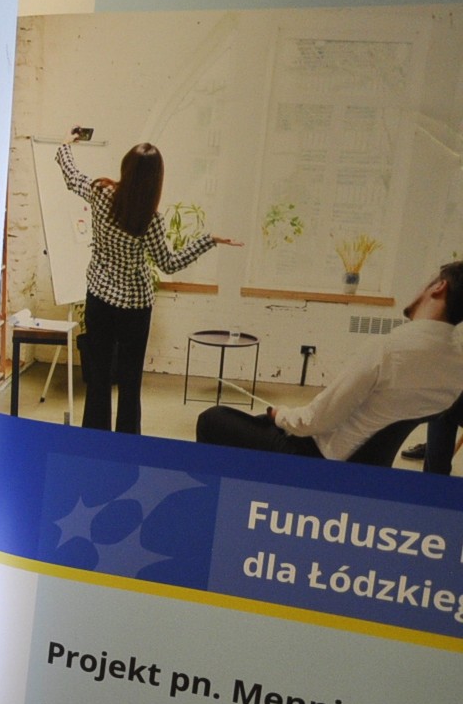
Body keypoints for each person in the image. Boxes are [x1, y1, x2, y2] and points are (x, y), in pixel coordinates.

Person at [56, 136, 238, 434]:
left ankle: (93, 443)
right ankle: (128, 446)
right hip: (134, 307)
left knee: (99, 377)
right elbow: (169, 263)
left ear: (125, 167)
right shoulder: (150, 219)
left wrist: (65, 145)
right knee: (130, 382)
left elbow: (71, 176)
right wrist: (208, 241)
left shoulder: (101, 193)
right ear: (155, 182)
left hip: (99, 299)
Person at [195, 261, 463, 461]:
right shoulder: (456, 369)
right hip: (367, 467)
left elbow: (313, 422)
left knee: (213, 419)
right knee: (259, 423)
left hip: (319, 458)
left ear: (439, 287)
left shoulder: (388, 350)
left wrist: (281, 414)